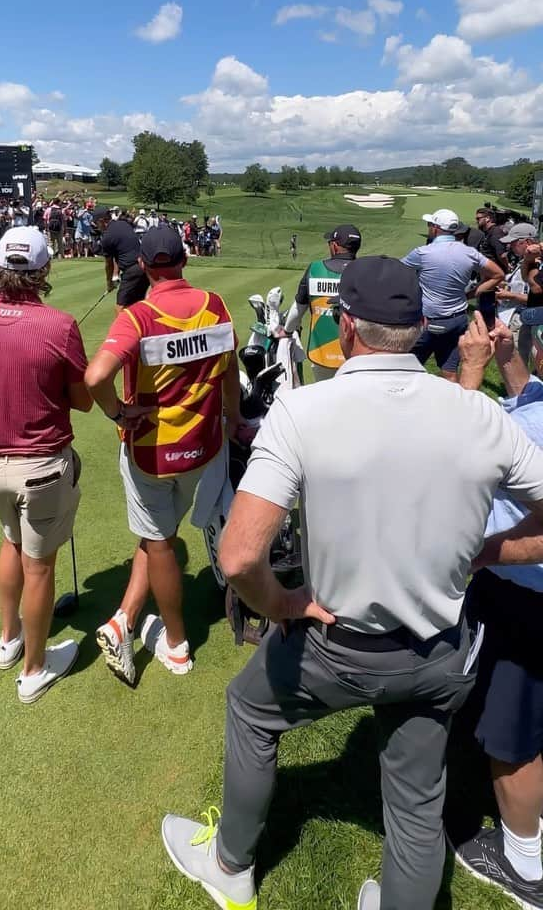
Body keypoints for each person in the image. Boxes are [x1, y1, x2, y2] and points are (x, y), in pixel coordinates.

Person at [160, 258, 543, 910]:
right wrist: (488, 553)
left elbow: (238, 556)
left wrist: (281, 603)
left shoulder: (303, 410)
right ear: (421, 328)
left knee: (251, 710)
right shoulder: (480, 415)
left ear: (345, 325)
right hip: (437, 651)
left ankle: (230, 865)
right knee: (417, 801)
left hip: (334, 645)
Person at [85, 226, 243, 685]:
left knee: (159, 542)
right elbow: (229, 372)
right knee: (158, 534)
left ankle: (175, 645)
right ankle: (123, 621)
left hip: (151, 453)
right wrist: (235, 419)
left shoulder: (137, 316)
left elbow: (96, 377)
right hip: (203, 447)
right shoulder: (215, 305)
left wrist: (118, 412)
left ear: (143, 266)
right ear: (184, 260)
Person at [0, 226, 93, 703]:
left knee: (11, 541)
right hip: (44, 466)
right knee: (40, 567)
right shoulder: (60, 324)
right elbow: (83, 401)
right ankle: (33, 670)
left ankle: (8, 640)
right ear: (45, 270)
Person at [457, 314, 543, 907]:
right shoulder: (537, 398)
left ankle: (524, 861)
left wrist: (482, 554)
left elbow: (450, 449)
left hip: (523, 595)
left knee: (513, 733)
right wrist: (510, 361)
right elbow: (527, 394)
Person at [402, 208, 503, 381]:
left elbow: (397, 272)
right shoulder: (469, 252)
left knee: (406, 370)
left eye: (429, 224)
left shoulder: (422, 253)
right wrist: (471, 294)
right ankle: (453, 406)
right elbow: (498, 274)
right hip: (457, 321)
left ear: (435, 228)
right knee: (449, 370)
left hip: (428, 320)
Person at [284, 224, 362, 380]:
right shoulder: (366, 270)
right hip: (357, 354)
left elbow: (299, 308)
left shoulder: (315, 269)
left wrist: (287, 330)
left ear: (334, 246)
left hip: (321, 354)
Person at [495, 222, 540, 366]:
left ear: (527, 242)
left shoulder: (537, 265)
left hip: (528, 316)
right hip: (522, 316)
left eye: (514, 243)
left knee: (520, 360)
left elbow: (534, 293)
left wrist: (508, 295)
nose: (510, 246)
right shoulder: (527, 261)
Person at [91, 205, 148, 311]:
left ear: (102, 221)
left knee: (120, 308)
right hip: (145, 268)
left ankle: (124, 328)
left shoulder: (107, 237)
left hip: (133, 271)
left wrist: (109, 283)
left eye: (97, 223)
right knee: (137, 306)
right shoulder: (123, 224)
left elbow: (109, 264)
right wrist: (116, 275)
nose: (97, 227)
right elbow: (120, 253)